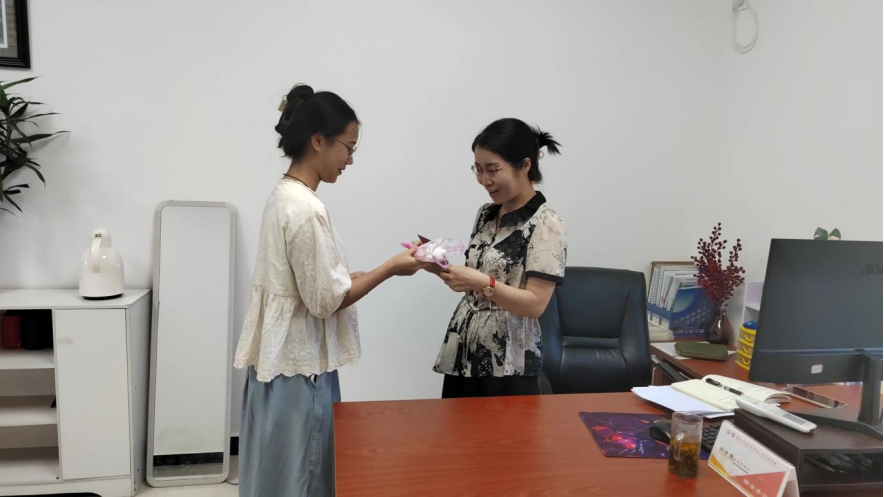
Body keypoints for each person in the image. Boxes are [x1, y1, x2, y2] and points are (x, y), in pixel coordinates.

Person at [233, 84, 423, 497]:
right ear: (318, 140)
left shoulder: (282, 196)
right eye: (348, 147)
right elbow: (325, 301)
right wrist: (391, 268)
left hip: (276, 362)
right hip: (301, 370)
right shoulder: (307, 209)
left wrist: (353, 276)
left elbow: (305, 285)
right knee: (304, 475)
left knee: (273, 471)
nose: (350, 159)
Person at [430, 118, 568, 398]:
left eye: (493, 170)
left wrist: (481, 282)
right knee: (456, 426)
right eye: (478, 169)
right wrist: (439, 266)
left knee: (501, 427)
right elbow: (477, 278)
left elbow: (535, 305)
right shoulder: (487, 213)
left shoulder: (546, 222)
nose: (484, 180)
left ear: (524, 165)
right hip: (464, 351)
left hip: (509, 360)